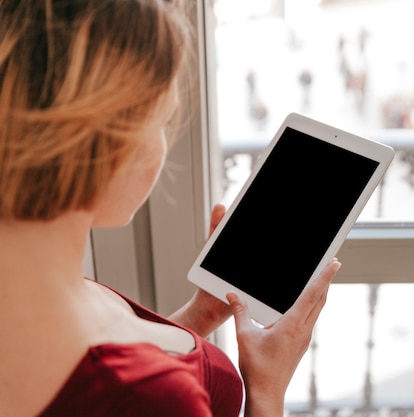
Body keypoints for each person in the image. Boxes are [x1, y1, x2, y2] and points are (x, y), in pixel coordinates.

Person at [0, 1, 341, 416]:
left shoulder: (38, 281)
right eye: (161, 122)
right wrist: (268, 389)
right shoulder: (152, 397)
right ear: (110, 141)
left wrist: (200, 314)